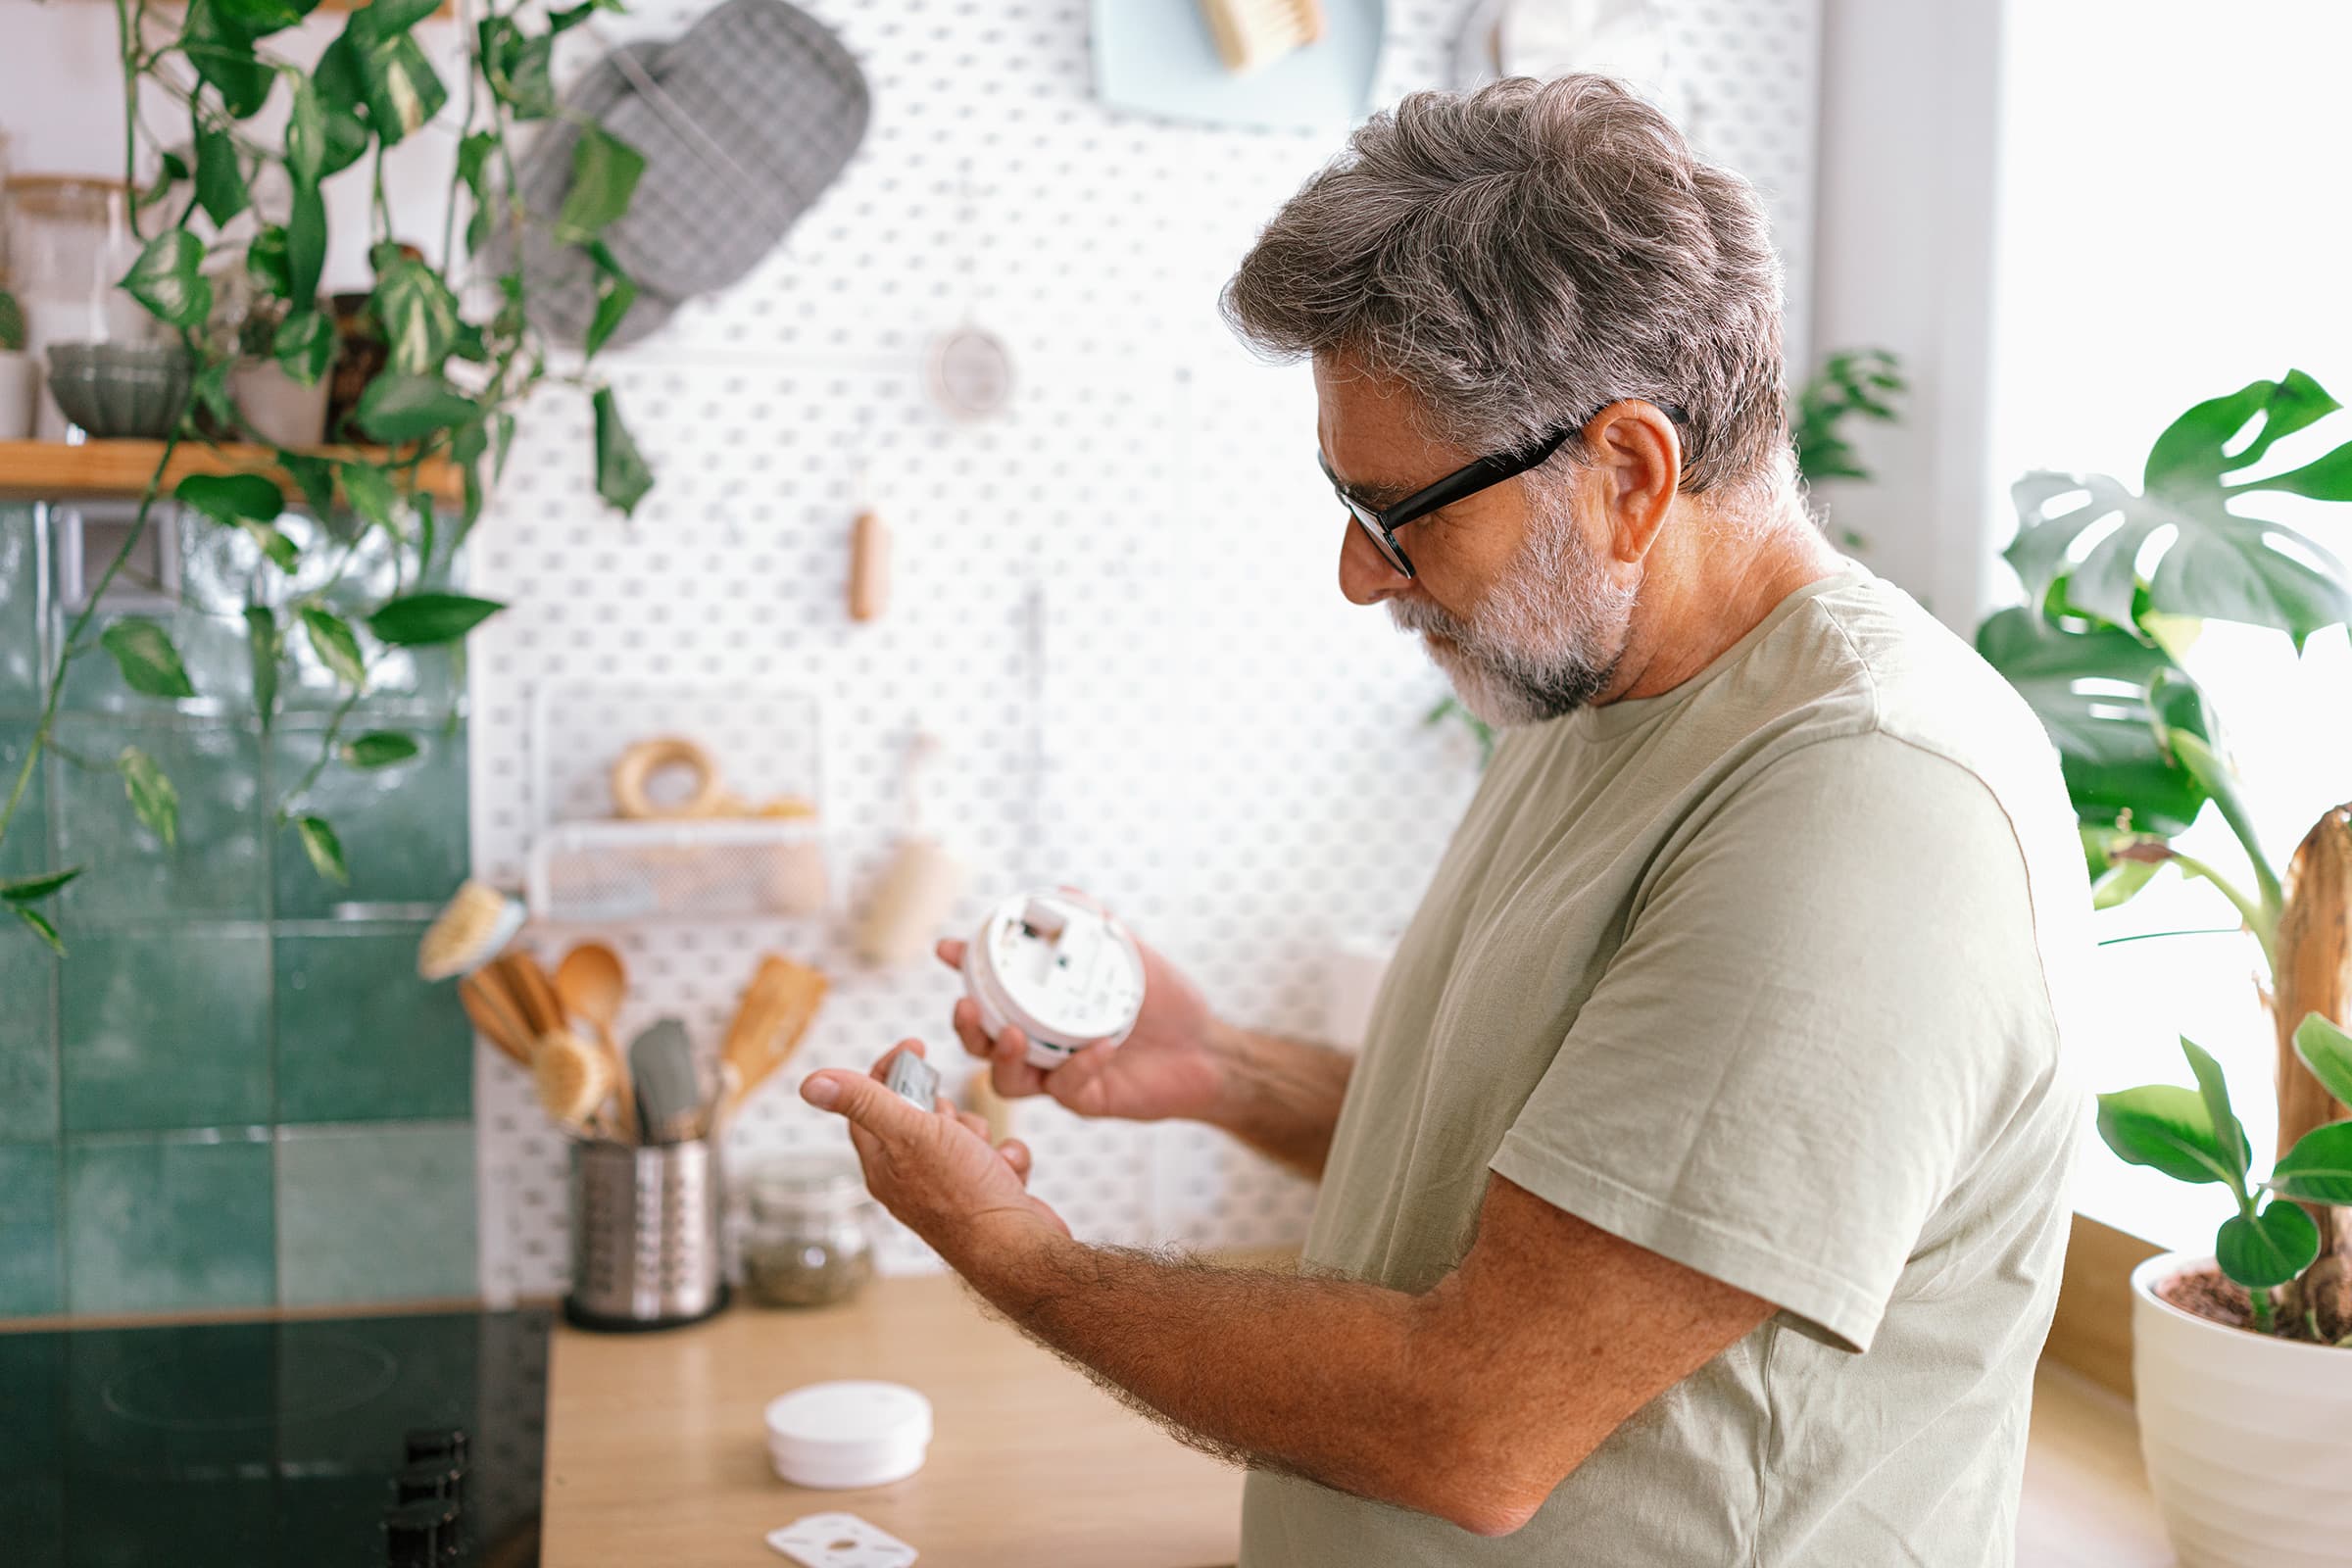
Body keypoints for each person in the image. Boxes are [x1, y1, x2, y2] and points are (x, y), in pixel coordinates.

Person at [801, 73, 2088, 1565]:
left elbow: (1477, 1423)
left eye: (1399, 514)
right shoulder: (1585, 682)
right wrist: (1220, 1067)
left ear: (1626, 471)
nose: (1362, 576)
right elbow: (1581, 1185)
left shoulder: (1866, 803)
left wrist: (1016, 1258)